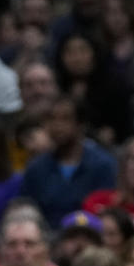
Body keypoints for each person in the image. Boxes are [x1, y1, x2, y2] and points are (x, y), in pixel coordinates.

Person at [21, 96, 117, 227]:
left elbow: (108, 214)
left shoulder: (103, 165)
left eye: (65, 119)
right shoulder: (36, 169)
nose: (58, 125)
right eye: (52, 119)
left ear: (81, 124)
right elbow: (27, 212)